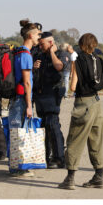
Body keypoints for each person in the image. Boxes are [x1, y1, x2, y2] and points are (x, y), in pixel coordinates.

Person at [58, 33, 103, 190]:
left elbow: (73, 86)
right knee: (96, 141)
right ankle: (99, 175)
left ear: (81, 45)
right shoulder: (98, 60)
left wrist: (73, 69)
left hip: (82, 103)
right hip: (96, 103)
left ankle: (70, 178)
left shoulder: (78, 60)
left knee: (74, 140)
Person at [8, 19, 40, 177]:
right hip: (21, 100)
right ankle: (18, 168)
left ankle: (16, 166)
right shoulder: (26, 54)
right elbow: (27, 82)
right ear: (30, 35)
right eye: (37, 35)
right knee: (20, 132)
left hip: (16, 98)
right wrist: (29, 105)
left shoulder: (18, 51)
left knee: (16, 132)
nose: (38, 38)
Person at [33, 32, 66, 169]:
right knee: (44, 126)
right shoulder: (40, 56)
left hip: (53, 93)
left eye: (42, 44)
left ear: (51, 43)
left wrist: (52, 52)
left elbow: (59, 67)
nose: (40, 46)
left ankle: (59, 158)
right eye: (39, 44)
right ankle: (46, 156)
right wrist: (35, 67)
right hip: (41, 94)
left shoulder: (60, 54)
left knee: (53, 125)